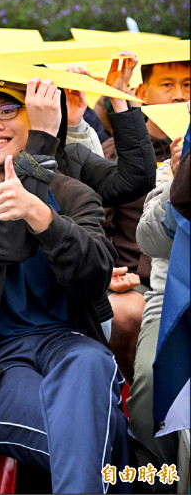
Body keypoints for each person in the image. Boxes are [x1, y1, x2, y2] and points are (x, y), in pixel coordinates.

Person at [0, 76, 129, 494]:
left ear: (32, 115)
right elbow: (8, 241)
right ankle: (141, 478)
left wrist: (45, 217)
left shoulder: (73, 194)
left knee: (91, 361)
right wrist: (38, 144)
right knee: (94, 431)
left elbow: (94, 275)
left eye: (8, 111)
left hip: (65, 342)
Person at [102, 59, 189, 384]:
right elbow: (98, 226)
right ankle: (135, 397)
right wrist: (105, 273)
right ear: (141, 92)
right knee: (123, 314)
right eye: (167, 84)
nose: (179, 96)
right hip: (135, 279)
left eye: (188, 86)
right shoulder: (117, 153)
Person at [129, 136, 183, 473]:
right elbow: (148, 239)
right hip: (172, 301)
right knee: (152, 376)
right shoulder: (171, 171)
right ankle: (156, 477)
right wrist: (180, 183)